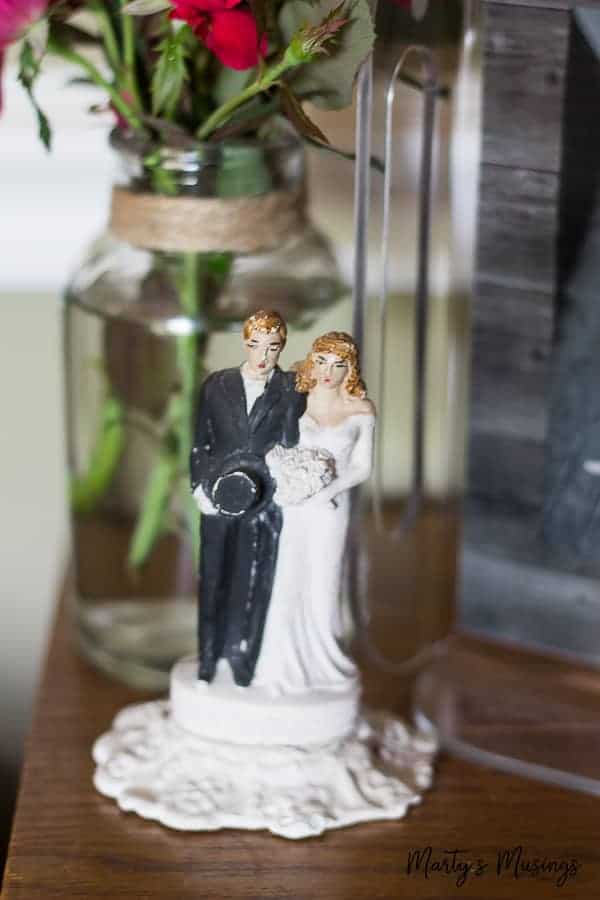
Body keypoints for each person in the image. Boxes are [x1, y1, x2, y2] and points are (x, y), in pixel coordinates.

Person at [253, 332, 376, 694]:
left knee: (324, 579)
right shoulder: (296, 399)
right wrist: (283, 475)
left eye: (339, 365)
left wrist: (328, 489)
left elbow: (361, 467)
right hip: (292, 503)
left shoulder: (360, 410)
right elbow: (270, 445)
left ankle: (323, 665)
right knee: (286, 576)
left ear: (349, 369)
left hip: (329, 507)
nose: (329, 371)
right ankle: (278, 665)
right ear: (312, 361)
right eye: (322, 361)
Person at [190, 310, 306, 686]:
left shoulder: (290, 389)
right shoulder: (217, 385)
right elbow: (200, 444)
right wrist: (199, 487)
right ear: (244, 342)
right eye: (256, 345)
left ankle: (243, 656)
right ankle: (208, 655)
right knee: (213, 576)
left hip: (267, 501)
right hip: (218, 495)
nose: (263, 355)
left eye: (272, 348)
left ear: (281, 348)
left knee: (255, 577)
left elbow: (293, 443)